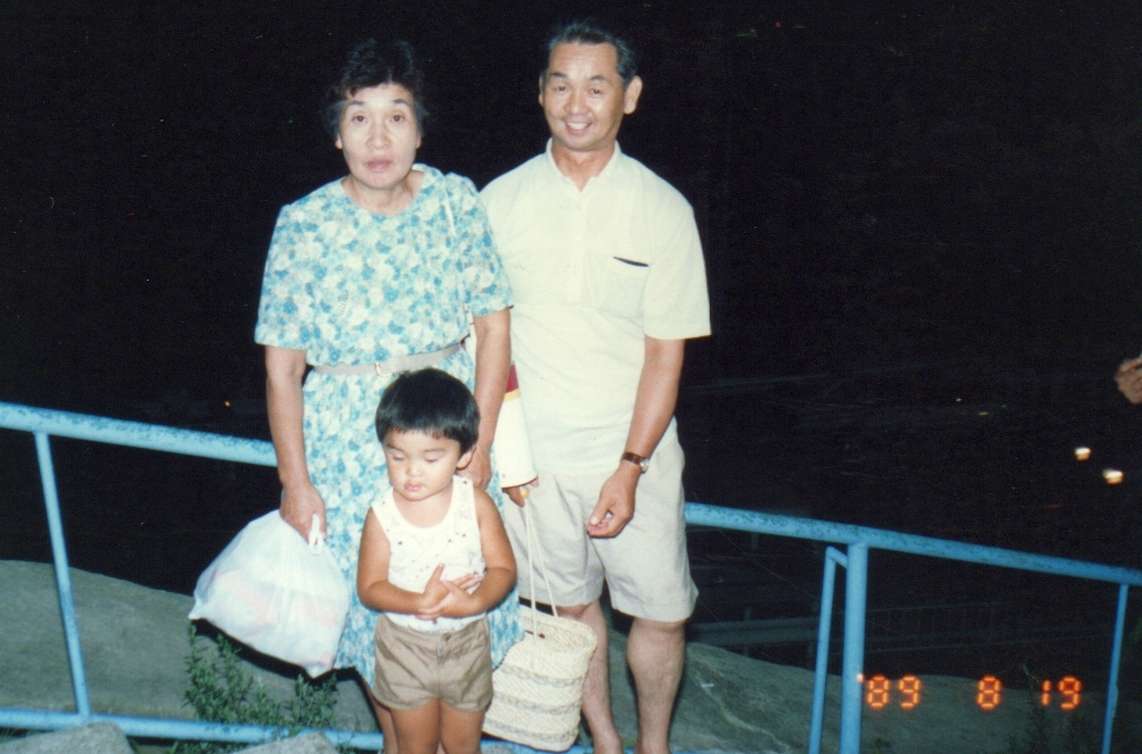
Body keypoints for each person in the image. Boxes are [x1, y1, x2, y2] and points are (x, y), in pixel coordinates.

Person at [254, 38, 521, 752]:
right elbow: (282, 369)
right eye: (360, 118)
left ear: (420, 130)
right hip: (349, 453)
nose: (379, 139)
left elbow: (493, 325)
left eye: (396, 117)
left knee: (460, 599)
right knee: (373, 622)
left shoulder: (454, 202)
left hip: (443, 436)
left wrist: (480, 443)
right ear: (336, 134)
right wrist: (296, 483)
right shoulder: (304, 223)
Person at [481, 20, 710, 754]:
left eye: (596, 86)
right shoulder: (498, 202)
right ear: (540, 93)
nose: (575, 104)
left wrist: (632, 465)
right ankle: (606, 741)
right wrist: (504, 455)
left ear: (629, 96)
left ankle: (653, 745)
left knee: (663, 613)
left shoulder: (664, 208)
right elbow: (485, 340)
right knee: (570, 612)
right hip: (535, 460)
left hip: (634, 449)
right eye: (561, 85)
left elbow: (666, 355)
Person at [357, 368, 516, 754]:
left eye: (431, 458)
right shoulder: (382, 515)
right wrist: (418, 601)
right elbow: (369, 588)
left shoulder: (475, 503)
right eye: (397, 456)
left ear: (465, 455)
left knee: (463, 745)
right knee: (417, 745)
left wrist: (475, 603)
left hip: (467, 643)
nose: (412, 471)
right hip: (405, 646)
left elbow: (504, 569)